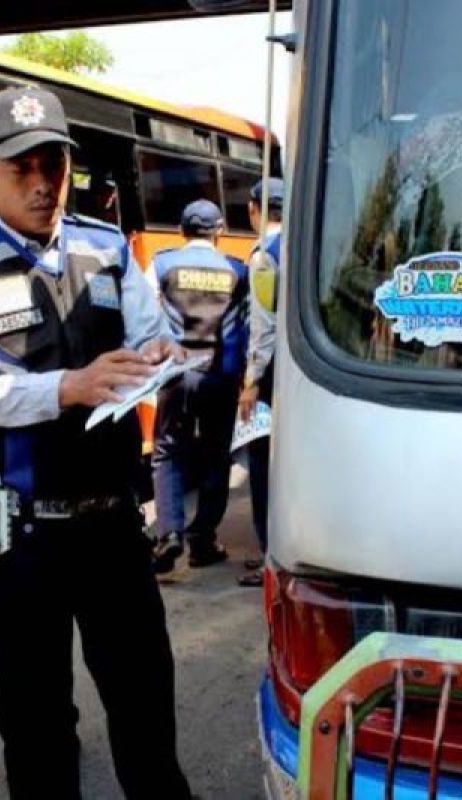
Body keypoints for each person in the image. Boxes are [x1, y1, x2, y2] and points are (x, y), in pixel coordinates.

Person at [0, 86, 193, 800]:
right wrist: (66, 387)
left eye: (53, 166)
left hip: (109, 524)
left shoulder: (104, 250)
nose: (42, 185)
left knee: (145, 709)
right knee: (37, 729)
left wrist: (157, 351)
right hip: (18, 540)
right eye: (21, 170)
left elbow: (142, 332)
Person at [148, 199, 248, 574]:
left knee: (167, 452)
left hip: (175, 374)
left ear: (181, 231)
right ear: (219, 231)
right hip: (221, 376)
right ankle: (203, 540)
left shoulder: (161, 264)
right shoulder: (237, 271)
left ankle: (168, 533)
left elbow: (144, 314)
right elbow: (250, 327)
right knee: (215, 456)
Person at [237, 177, 283, 588]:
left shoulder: (264, 257)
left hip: (271, 378)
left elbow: (262, 326)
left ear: (255, 209)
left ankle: (270, 555)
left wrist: (251, 381)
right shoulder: (305, 242)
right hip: (299, 374)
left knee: (263, 465)